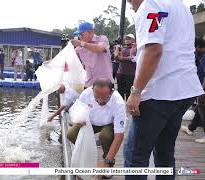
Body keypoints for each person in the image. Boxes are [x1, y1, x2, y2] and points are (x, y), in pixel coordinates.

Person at [124, 1, 204, 180]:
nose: (130, 4)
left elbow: (154, 50)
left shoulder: (152, 4)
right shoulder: (181, 7)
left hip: (160, 91)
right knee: (165, 152)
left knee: (135, 155)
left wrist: (136, 92)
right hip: (184, 89)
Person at [67, 79, 126, 178]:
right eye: (96, 97)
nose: (100, 101)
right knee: (71, 134)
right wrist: (78, 120)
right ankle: (86, 156)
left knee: (105, 136)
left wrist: (106, 162)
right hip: (90, 122)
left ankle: (109, 164)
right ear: (92, 90)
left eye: (104, 97)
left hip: (109, 123)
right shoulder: (86, 93)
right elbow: (77, 110)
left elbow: (119, 136)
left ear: (111, 92)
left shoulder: (119, 102)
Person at [71, 22, 113, 88]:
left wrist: (82, 44)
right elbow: (68, 58)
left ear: (89, 32)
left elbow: (100, 49)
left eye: (81, 34)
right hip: (89, 84)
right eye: (79, 34)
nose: (80, 36)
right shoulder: (80, 47)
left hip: (105, 83)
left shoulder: (102, 39)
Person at [115, 34, 137, 99]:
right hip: (121, 73)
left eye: (129, 39)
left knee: (129, 93)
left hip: (130, 74)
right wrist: (116, 49)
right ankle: (121, 107)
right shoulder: (122, 48)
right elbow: (116, 58)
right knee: (120, 92)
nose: (127, 40)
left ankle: (128, 108)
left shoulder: (135, 48)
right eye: (126, 39)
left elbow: (132, 58)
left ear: (133, 40)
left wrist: (122, 58)